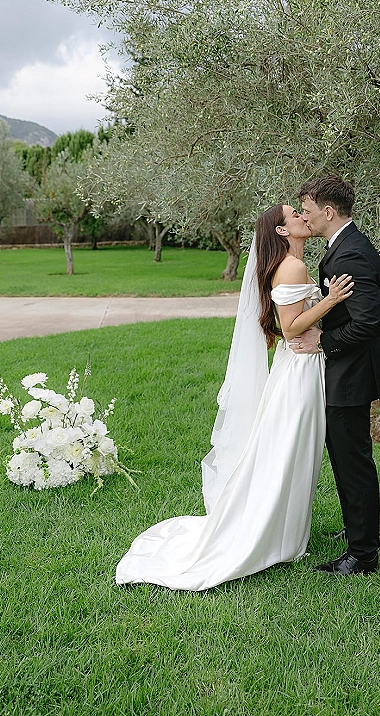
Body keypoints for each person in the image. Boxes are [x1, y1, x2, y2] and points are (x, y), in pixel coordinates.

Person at [115, 204, 353, 591]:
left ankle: (284, 532)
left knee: (290, 451)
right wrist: (330, 301)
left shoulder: (295, 264)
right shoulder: (291, 268)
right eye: (296, 215)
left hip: (300, 368)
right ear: (281, 231)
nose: (304, 218)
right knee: (289, 451)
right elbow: (291, 328)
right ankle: (273, 534)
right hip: (299, 370)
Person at [292, 175, 380, 576]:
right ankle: (356, 528)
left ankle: (363, 555)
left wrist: (323, 341)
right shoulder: (345, 247)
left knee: (353, 462)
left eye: (309, 211)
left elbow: (369, 324)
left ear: (328, 212)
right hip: (345, 372)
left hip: (349, 376)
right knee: (346, 458)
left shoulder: (350, 255)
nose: (306, 218)